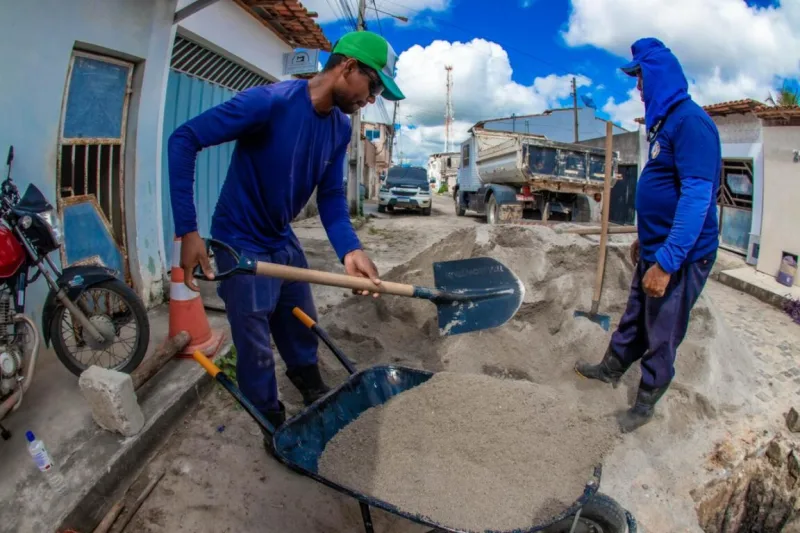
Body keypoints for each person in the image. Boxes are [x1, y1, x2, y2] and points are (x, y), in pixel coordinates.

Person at [167, 31, 405, 451]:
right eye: (373, 87)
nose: (371, 100)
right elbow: (184, 139)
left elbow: (331, 197)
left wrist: (351, 250)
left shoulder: (339, 128)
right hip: (239, 240)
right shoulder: (270, 102)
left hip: (281, 237)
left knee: (300, 323)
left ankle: (312, 390)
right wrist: (188, 230)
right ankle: (271, 422)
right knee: (256, 348)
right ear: (348, 67)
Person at [574, 38, 721, 433]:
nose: (638, 87)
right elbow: (665, 191)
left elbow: (696, 199)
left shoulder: (691, 123)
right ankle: (610, 369)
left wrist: (668, 262)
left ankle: (644, 404)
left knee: (662, 330)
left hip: (683, 256)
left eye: (640, 77)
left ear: (658, 75)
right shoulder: (665, 124)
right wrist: (646, 238)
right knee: (636, 315)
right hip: (658, 247)